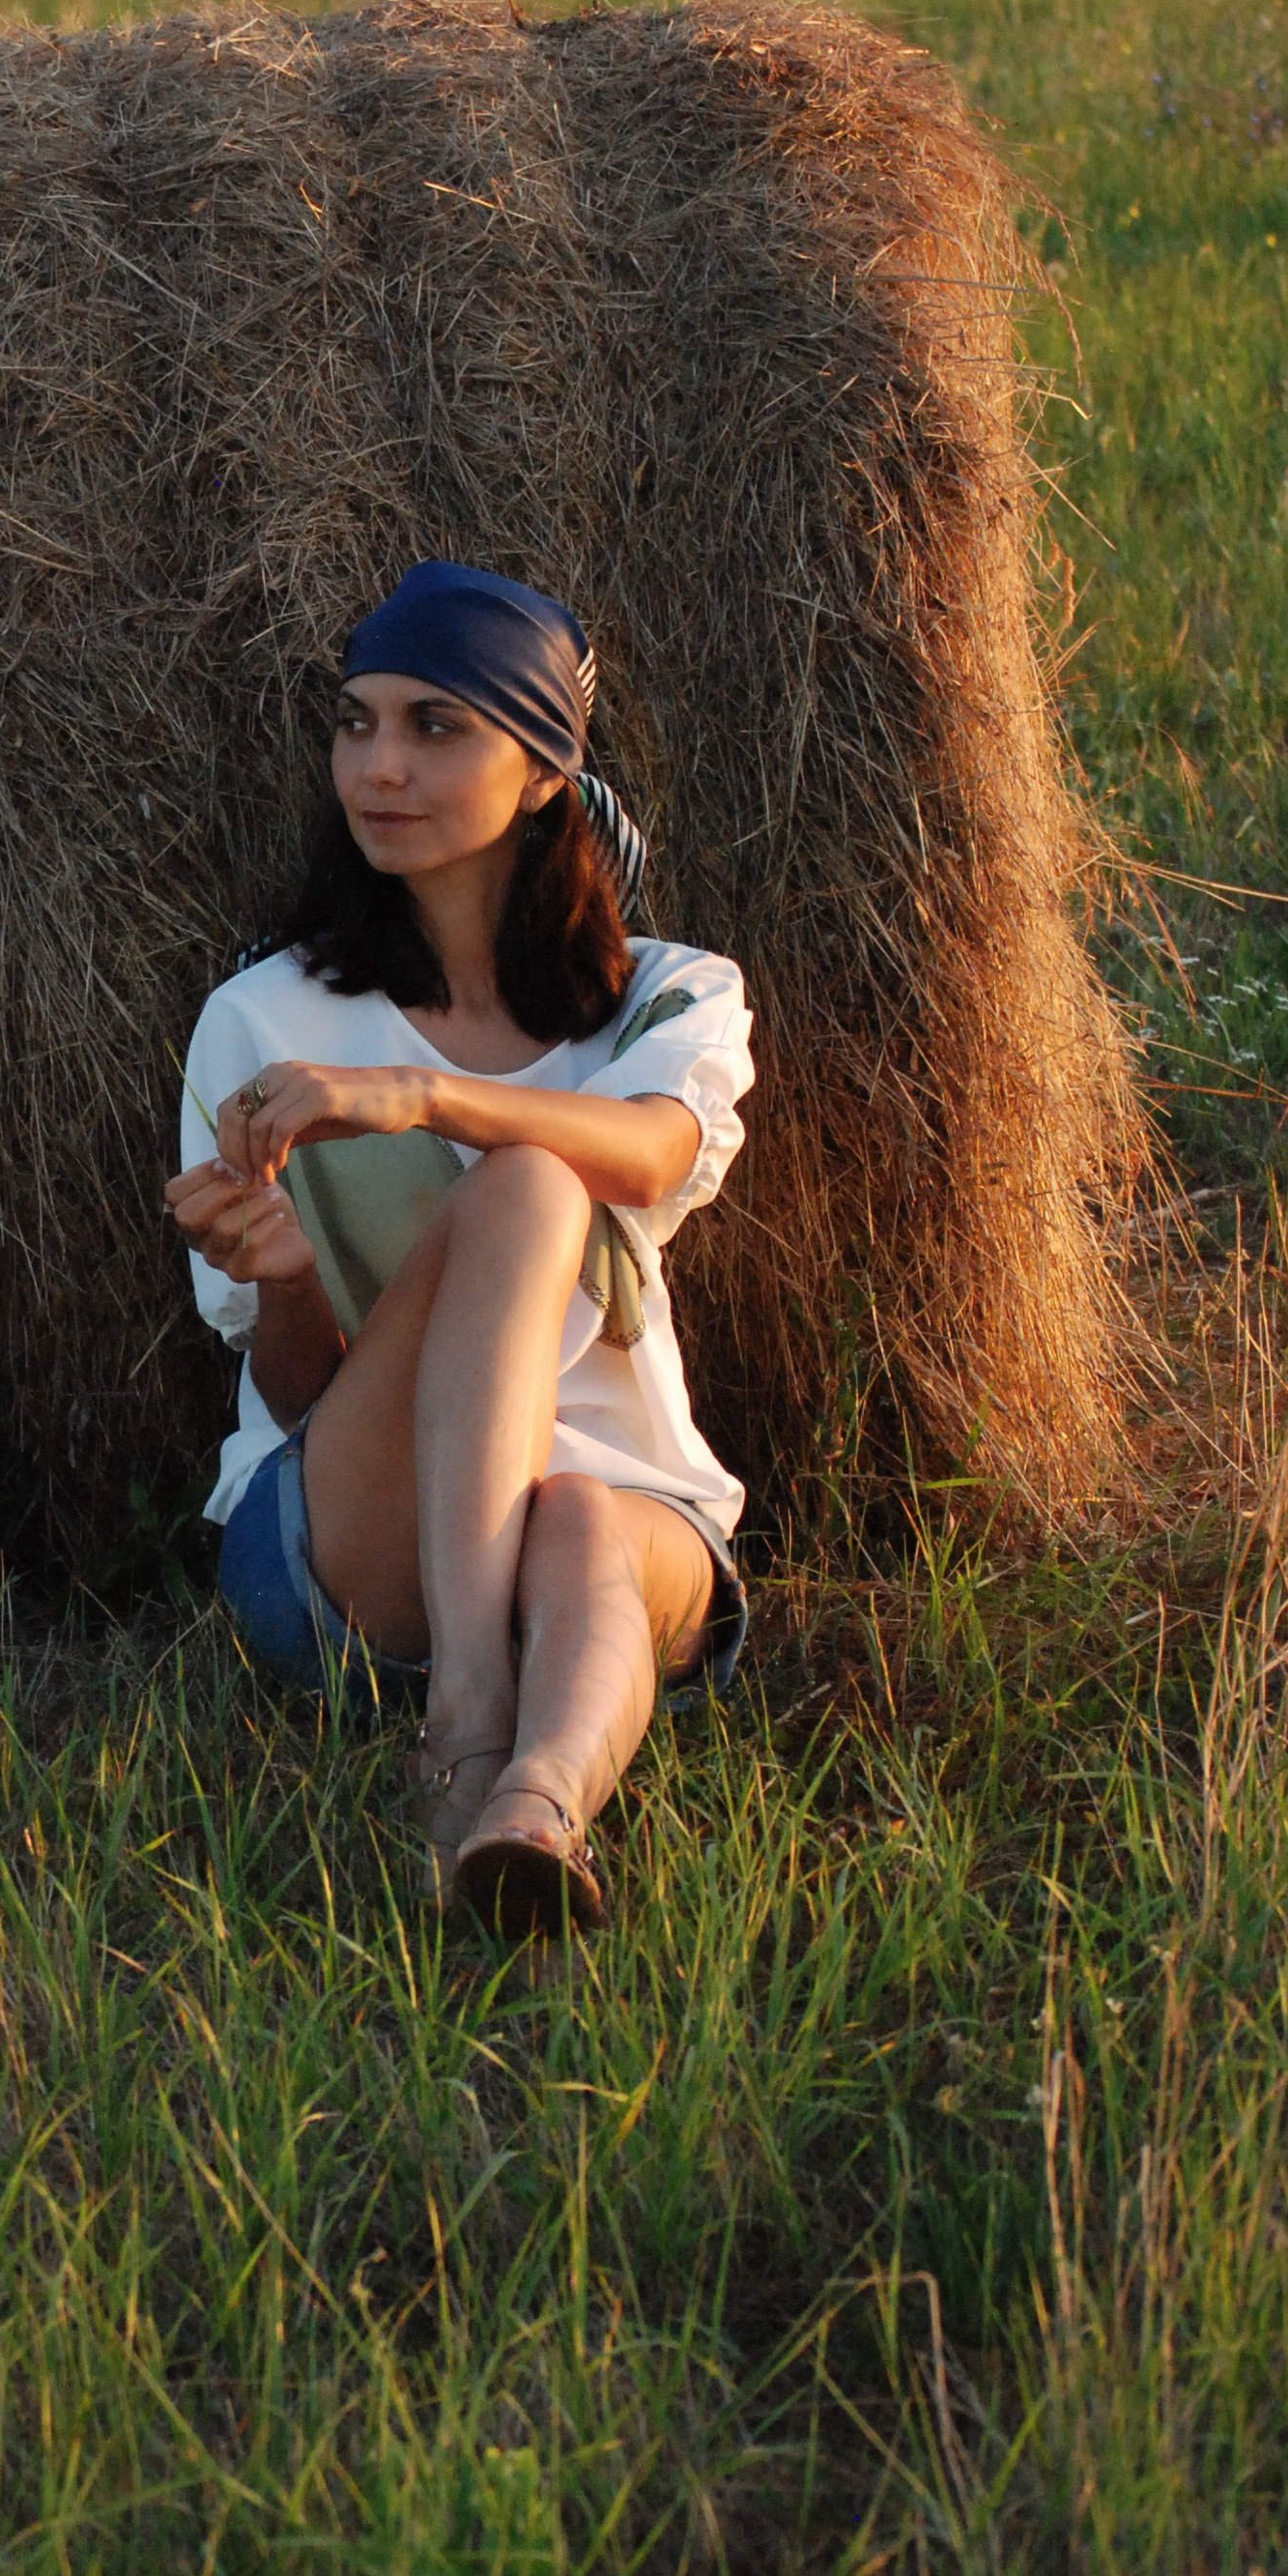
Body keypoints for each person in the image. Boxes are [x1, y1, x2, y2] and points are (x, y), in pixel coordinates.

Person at [164, 561, 755, 1944]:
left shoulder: (668, 999)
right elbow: (301, 1401)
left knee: (584, 1510)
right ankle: (469, 1726)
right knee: (531, 1190)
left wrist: (425, 1099)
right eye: (357, 723)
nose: (380, 765)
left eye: (437, 726)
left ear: (546, 769)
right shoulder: (263, 1020)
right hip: (343, 1549)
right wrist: (283, 1279)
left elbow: (656, 1155)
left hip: (618, 1504)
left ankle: (536, 1806)